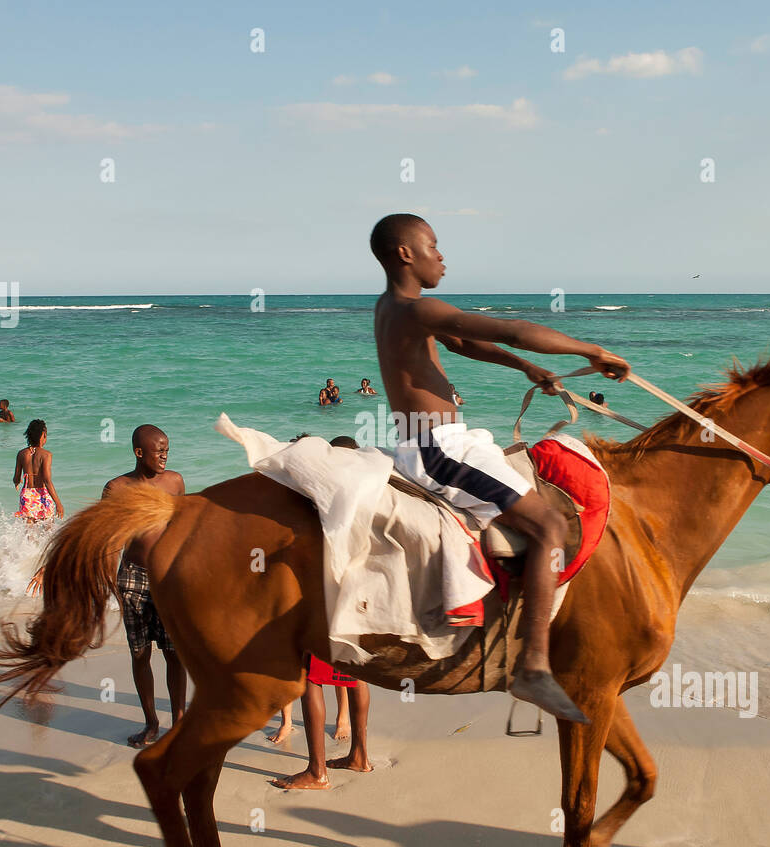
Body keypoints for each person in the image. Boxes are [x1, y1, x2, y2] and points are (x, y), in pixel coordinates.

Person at [370, 213, 630, 723]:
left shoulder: (398, 311)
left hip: (443, 440)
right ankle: (533, 666)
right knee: (551, 523)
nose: (442, 256)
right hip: (436, 449)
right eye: (434, 246)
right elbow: (513, 329)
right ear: (406, 254)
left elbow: (467, 343)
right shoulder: (413, 308)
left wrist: (526, 369)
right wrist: (592, 351)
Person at [269, 436, 373, 787]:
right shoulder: (365, 493)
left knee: (312, 680)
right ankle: (360, 756)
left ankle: (317, 771)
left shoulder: (325, 497)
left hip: (326, 598)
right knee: (356, 676)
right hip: (362, 597)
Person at [104, 425, 186, 748]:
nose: (165, 455)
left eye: (167, 449)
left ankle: (178, 723)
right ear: (140, 453)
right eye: (158, 450)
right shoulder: (117, 488)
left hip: (168, 577)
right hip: (133, 577)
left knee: (174, 653)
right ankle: (151, 722)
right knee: (140, 654)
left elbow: (184, 528)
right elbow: (110, 540)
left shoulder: (175, 482)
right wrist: (110, 581)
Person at [13, 419, 64, 522]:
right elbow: (47, 480)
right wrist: (58, 503)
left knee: (29, 530)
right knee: (48, 528)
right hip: (43, 494)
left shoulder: (21, 453)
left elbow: (16, 478)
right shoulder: (46, 455)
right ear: (43, 435)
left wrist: (17, 482)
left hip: (27, 494)